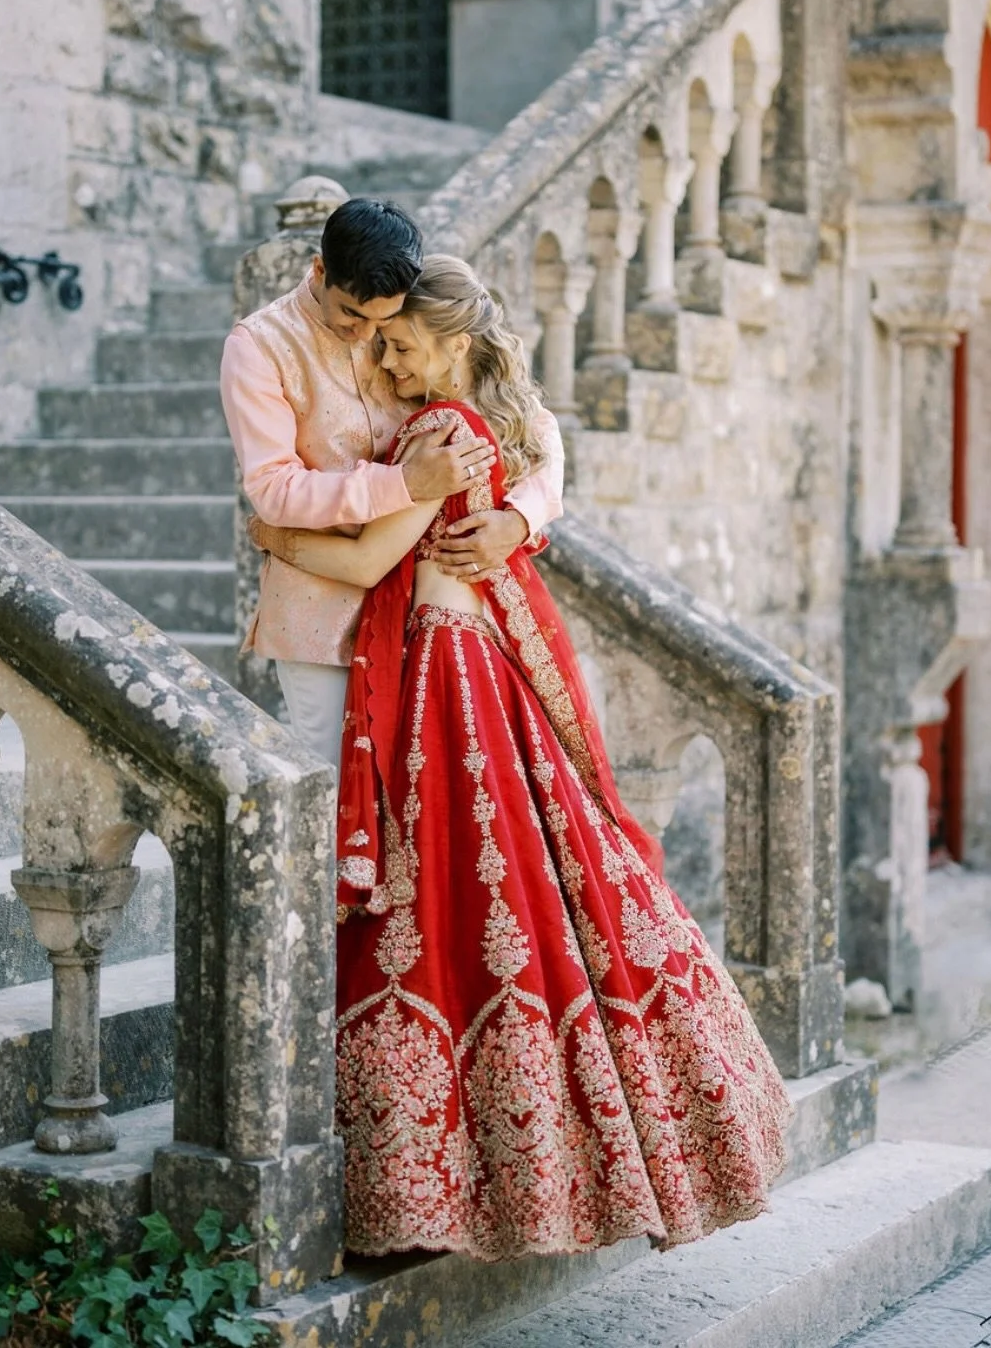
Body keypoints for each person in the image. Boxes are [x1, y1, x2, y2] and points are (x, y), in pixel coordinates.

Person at [254, 256, 791, 1263]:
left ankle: (442, 1182)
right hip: (474, 663)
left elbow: (373, 558)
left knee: (457, 902)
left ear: (454, 341)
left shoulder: (444, 430)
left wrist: (272, 538)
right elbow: (528, 454)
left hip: (448, 677)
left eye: (405, 342)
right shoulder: (474, 419)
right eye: (382, 340)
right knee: (516, 896)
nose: (389, 356)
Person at [220, 197, 564, 768]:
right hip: (320, 608)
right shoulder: (258, 348)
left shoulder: (399, 311)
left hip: (417, 611)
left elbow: (532, 421)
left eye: (385, 325)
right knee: (337, 789)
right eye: (353, 316)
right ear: (319, 271)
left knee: (410, 804)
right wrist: (404, 483)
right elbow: (275, 490)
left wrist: (521, 517)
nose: (369, 337)